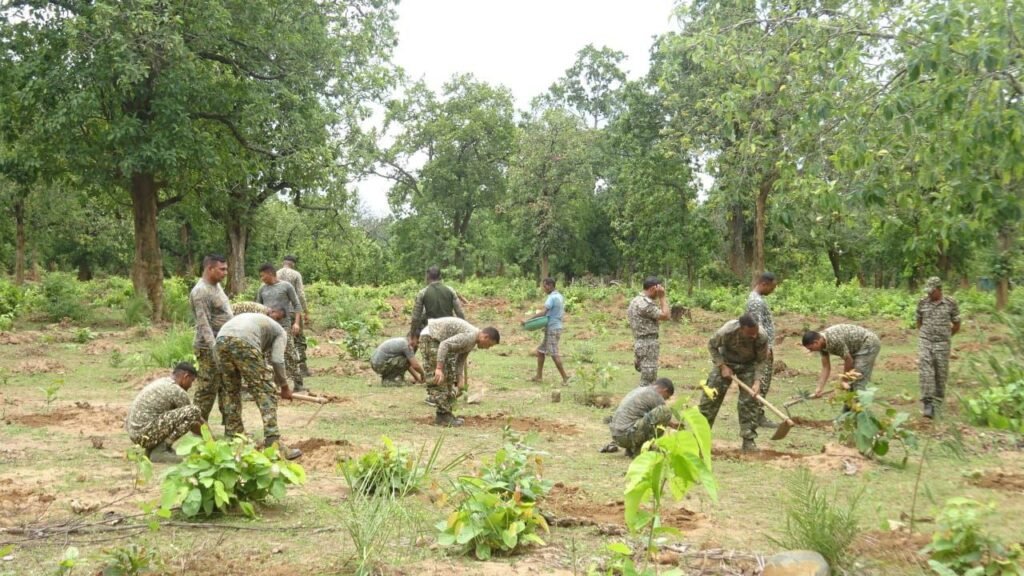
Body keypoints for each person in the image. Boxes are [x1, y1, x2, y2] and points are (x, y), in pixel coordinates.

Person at [216, 312, 301, 459]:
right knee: (266, 392)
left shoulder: (262, 324)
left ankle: (233, 440)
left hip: (220, 341)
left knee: (230, 392)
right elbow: (277, 360)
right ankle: (273, 444)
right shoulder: (281, 332)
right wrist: (284, 386)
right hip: (244, 341)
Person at [699, 314, 770, 452]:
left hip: (749, 365)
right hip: (726, 362)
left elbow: (761, 360)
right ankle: (699, 438)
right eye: (750, 334)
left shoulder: (762, 336)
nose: (754, 336)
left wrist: (757, 382)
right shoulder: (726, 331)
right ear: (741, 328)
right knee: (710, 398)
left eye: (755, 332)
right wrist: (722, 366)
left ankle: (748, 442)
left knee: (749, 402)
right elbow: (711, 346)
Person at [418, 317, 499, 427]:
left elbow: (460, 360)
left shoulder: (472, 341)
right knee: (440, 379)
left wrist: (460, 379)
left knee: (449, 377)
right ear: (485, 337)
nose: (487, 348)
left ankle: (446, 413)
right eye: (489, 344)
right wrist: (438, 368)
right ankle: (443, 416)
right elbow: (444, 345)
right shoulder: (470, 336)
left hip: (438, 340)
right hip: (431, 337)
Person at [125, 363, 203, 464]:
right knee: (193, 411)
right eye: (191, 381)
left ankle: (152, 450)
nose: (191, 385)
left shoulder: (163, 382)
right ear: (186, 376)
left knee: (174, 415)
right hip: (144, 433)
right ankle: (161, 450)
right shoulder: (176, 390)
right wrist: (210, 440)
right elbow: (195, 419)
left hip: (137, 433)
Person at [189, 254, 234, 425]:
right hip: (208, 348)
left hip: (223, 345)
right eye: (222, 269)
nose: (225, 272)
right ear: (210, 268)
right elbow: (203, 323)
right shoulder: (201, 291)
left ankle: (232, 428)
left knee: (227, 386)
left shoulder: (217, 286)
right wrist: (214, 348)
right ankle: (196, 428)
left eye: (226, 269)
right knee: (207, 389)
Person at [256, 263, 306, 392]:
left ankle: (298, 383)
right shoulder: (262, 289)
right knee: (268, 356)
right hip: (267, 328)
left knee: (289, 354)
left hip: (284, 326)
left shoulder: (286, 286)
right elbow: (257, 308)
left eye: (263, 276)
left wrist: (296, 323)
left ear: (270, 274)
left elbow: (297, 305)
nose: (262, 279)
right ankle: (273, 385)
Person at [917, 277, 961, 418]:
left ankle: (937, 402)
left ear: (939, 290)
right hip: (926, 340)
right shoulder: (922, 302)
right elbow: (919, 322)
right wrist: (925, 335)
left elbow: (956, 324)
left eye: (932, 291)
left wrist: (946, 337)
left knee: (940, 373)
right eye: (928, 291)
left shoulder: (950, 303)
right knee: (926, 370)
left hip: (942, 343)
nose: (929, 294)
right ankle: (927, 403)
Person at [803, 324, 881, 398]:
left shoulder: (833, 341)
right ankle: (850, 409)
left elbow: (848, 360)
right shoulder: (822, 343)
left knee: (858, 379)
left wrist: (844, 380)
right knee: (851, 382)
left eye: (811, 348)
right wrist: (819, 388)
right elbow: (826, 367)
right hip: (855, 347)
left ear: (816, 342)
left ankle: (861, 408)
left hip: (868, 343)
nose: (811, 351)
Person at [608, 378, 675, 458]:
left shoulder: (641, 390)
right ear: (665, 390)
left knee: (645, 417)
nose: (665, 400)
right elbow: (662, 417)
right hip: (626, 435)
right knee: (665, 411)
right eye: (666, 397)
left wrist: (672, 424)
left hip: (617, 435)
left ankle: (632, 449)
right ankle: (643, 448)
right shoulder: (655, 395)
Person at [745, 272, 778, 428]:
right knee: (761, 383)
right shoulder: (756, 302)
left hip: (765, 347)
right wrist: (764, 348)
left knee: (764, 383)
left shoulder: (758, 300)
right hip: (762, 349)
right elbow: (755, 327)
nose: (773, 290)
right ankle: (756, 416)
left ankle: (758, 414)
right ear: (764, 284)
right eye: (772, 286)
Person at [524, 277, 569, 384]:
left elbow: (544, 313)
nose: (543, 289)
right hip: (556, 327)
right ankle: (539, 376)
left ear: (549, 286)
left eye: (544, 286)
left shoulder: (551, 298)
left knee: (554, 354)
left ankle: (566, 378)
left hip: (553, 328)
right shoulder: (559, 296)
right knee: (540, 352)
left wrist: (528, 320)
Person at [627, 277, 670, 386]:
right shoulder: (645, 303)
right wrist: (662, 297)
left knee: (647, 378)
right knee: (648, 381)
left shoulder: (635, 300)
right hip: (648, 345)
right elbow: (665, 315)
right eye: (658, 290)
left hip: (640, 343)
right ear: (652, 289)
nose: (659, 292)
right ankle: (640, 402)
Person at [409, 266, 465, 339]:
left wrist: (412, 333)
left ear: (427, 277)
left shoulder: (423, 293)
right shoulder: (450, 290)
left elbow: (415, 317)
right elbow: (459, 312)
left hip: (431, 328)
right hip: (449, 326)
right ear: (440, 277)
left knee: (420, 320)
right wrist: (463, 328)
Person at [277, 255, 311, 377]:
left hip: (279, 312)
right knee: (299, 340)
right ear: (293, 264)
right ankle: (302, 367)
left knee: (281, 338)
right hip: (293, 310)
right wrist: (305, 311)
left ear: (283, 263)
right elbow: (300, 294)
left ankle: (285, 367)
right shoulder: (296, 275)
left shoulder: (276, 274)